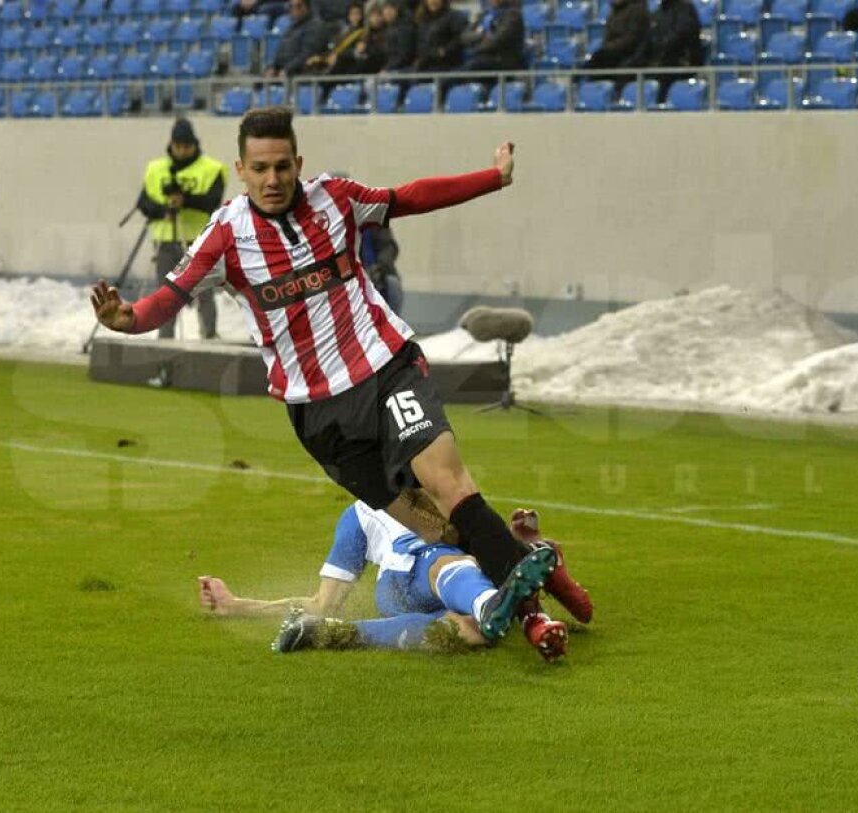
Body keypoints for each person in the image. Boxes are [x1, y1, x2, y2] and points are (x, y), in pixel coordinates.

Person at [90, 107, 568, 643]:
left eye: (282, 167)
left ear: (298, 163)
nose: (273, 180)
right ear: (240, 170)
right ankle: (522, 561)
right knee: (434, 527)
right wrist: (126, 320)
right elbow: (167, 299)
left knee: (447, 481)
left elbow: (407, 197)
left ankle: (528, 613)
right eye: (260, 168)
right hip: (321, 417)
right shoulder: (225, 236)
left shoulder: (335, 198)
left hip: (385, 368)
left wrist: (492, 178)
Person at [199, 502, 581, 661]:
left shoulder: (445, 490)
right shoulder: (361, 512)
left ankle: (332, 633)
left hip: (440, 588)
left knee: (472, 634)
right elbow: (323, 598)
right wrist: (239, 605)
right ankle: (489, 605)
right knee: (444, 558)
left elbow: (321, 609)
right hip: (404, 580)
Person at [136, 119, 227, 341]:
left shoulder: (212, 168)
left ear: (195, 144)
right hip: (166, 242)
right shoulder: (156, 168)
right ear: (171, 144)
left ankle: (209, 337)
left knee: (203, 292)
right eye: (178, 146)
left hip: (198, 242)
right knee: (166, 296)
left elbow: (212, 201)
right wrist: (164, 208)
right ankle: (165, 342)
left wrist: (185, 201)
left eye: (187, 146)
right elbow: (144, 203)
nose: (183, 151)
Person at [265, 0, 330, 80]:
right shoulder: (292, 27)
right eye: (291, 6)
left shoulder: (316, 27)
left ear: (307, 7)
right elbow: (281, 52)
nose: (294, 9)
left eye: (298, 6)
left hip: (301, 74)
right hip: (283, 72)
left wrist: (288, 69)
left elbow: (307, 54)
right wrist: (273, 67)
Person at [586, 0, 650, 70]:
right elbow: (607, 36)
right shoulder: (613, 11)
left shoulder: (637, 10)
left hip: (627, 54)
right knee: (595, 59)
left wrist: (610, 47)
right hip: (612, 52)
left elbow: (632, 38)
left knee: (599, 58)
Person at [463, 0, 525, 72]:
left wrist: (474, 49)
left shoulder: (513, 15)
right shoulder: (485, 14)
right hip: (482, 58)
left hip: (502, 61)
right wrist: (481, 36)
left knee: (472, 66)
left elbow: (496, 41)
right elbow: (464, 36)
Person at [412, 0, 465, 72]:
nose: (433, 1)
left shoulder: (454, 16)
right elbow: (420, 43)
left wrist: (444, 51)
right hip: (425, 64)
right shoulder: (423, 19)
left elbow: (459, 39)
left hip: (446, 64)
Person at [380, 0, 417, 72]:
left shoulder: (405, 27)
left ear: (397, 10)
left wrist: (387, 69)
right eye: (385, 9)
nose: (387, 12)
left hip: (403, 70)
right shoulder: (388, 28)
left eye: (390, 9)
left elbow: (404, 55)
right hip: (392, 67)